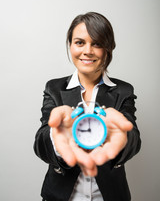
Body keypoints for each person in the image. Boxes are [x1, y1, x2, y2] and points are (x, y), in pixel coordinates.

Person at [34, 12, 141, 201]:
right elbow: (41, 143)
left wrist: (122, 137)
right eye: (80, 42)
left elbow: (134, 140)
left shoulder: (123, 91)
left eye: (97, 44)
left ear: (108, 48)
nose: (88, 51)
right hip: (61, 196)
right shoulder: (55, 88)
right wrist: (56, 136)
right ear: (70, 45)